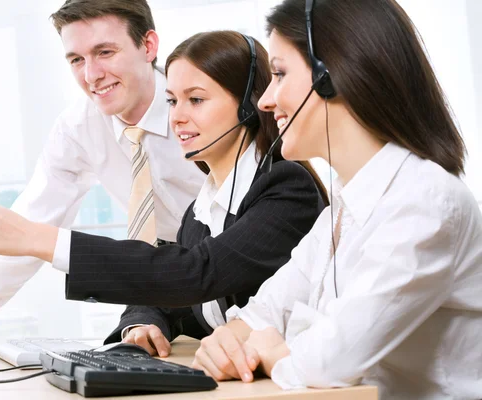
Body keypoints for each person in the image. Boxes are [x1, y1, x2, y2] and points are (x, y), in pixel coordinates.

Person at [0, 31, 328, 357]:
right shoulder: (201, 210)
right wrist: (143, 321)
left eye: (196, 99)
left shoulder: (286, 189)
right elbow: (176, 288)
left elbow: (199, 273)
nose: (176, 116)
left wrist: (40, 239)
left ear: (248, 106)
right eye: (172, 100)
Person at [191, 0, 482, 398]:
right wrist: (229, 343)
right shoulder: (343, 208)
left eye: (279, 74)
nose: (264, 101)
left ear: (331, 76)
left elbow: (329, 362)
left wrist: (276, 351)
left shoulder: (424, 203)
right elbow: (262, 314)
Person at [0, 0, 209, 352]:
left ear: (148, 46)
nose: (91, 74)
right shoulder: (79, 127)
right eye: (76, 59)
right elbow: (27, 229)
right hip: (166, 284)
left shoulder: (205, 107)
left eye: (104, 52)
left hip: (244, 274)